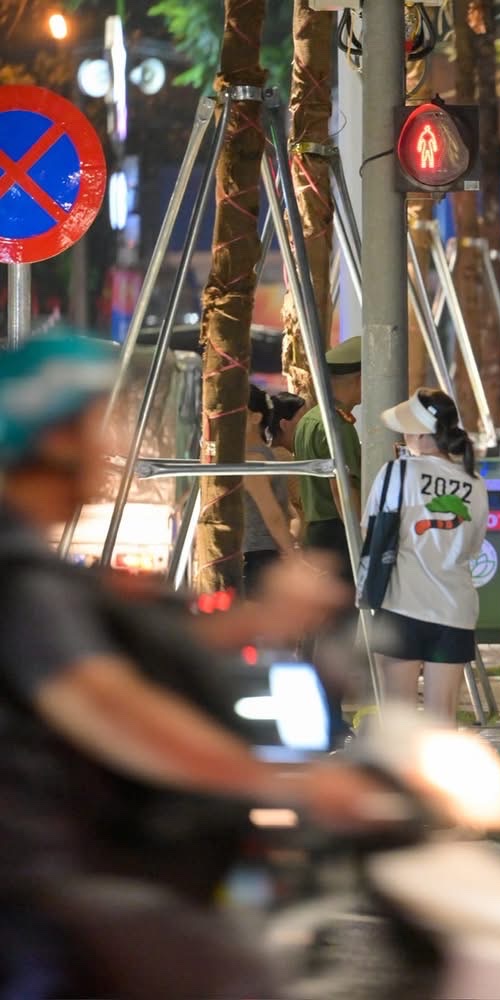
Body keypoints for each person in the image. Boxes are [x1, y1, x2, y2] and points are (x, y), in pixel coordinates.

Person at [0, 336, 392, 996]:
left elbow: (131, 633)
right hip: (30, 887)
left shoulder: (35, 565)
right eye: (103, 420)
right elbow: (113, 705)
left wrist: (260, 621)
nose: (113, 443)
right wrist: (284, 785)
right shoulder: (18, 579)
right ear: (59, 437)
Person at [365, 388, 489, 723]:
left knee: (398, 716)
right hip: (455, 610)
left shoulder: (395, 473)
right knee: (442, 719)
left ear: (420, 433)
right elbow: (473, 547)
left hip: (401, 606)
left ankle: (401, 777)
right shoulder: (473, 482)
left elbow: (372, 533)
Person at [293, 336, 363, 573]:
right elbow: (343, 489)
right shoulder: (337, 426)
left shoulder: (310, 419)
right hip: (339, 531)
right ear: (361, 379)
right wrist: (360, 537)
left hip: (316, 530)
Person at [243, 385, 297, 597]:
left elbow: (272, 514)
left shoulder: (253, 460)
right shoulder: (268, 455)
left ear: (256, 418)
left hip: (257, 556)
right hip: (266, 554)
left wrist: (292, 557)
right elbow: (289, 512)